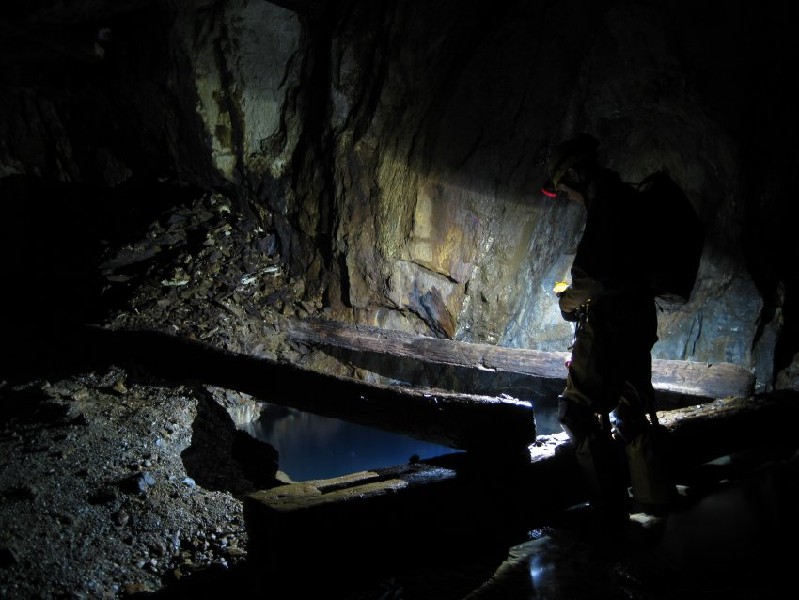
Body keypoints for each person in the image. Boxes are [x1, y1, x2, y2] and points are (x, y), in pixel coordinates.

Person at [541, 133, 676, 524]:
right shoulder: (631, 199)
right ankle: (656, 504)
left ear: (575, 175)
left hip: (611, 325)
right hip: (639, 318)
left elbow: (591, 276)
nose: (568, 196)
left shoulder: (606, 206)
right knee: (633, 412)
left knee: (578, 412)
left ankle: (609, 513)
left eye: (565, 189)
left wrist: (567, 301)